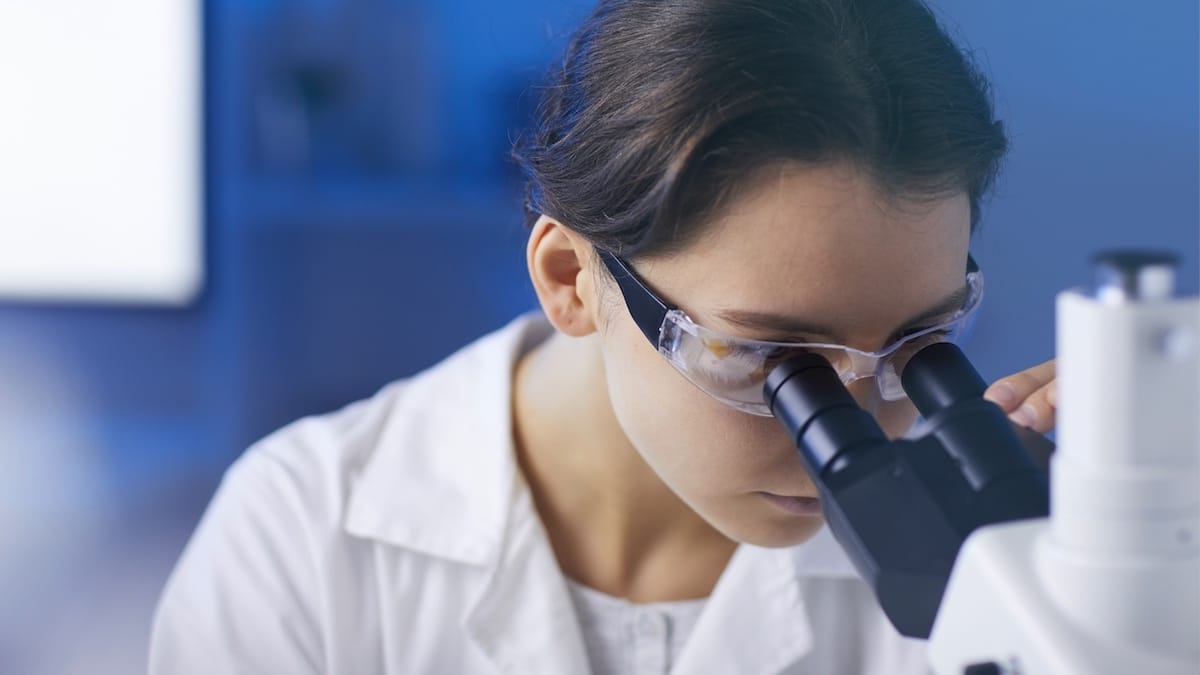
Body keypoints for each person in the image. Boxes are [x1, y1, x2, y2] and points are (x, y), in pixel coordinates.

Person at [149, 0, 1059, 672]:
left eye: (920, 345)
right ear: (569, 278)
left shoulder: (998, 551)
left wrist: (1119, 561)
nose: (863, 432)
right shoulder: (301, 537)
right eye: (772, 361)